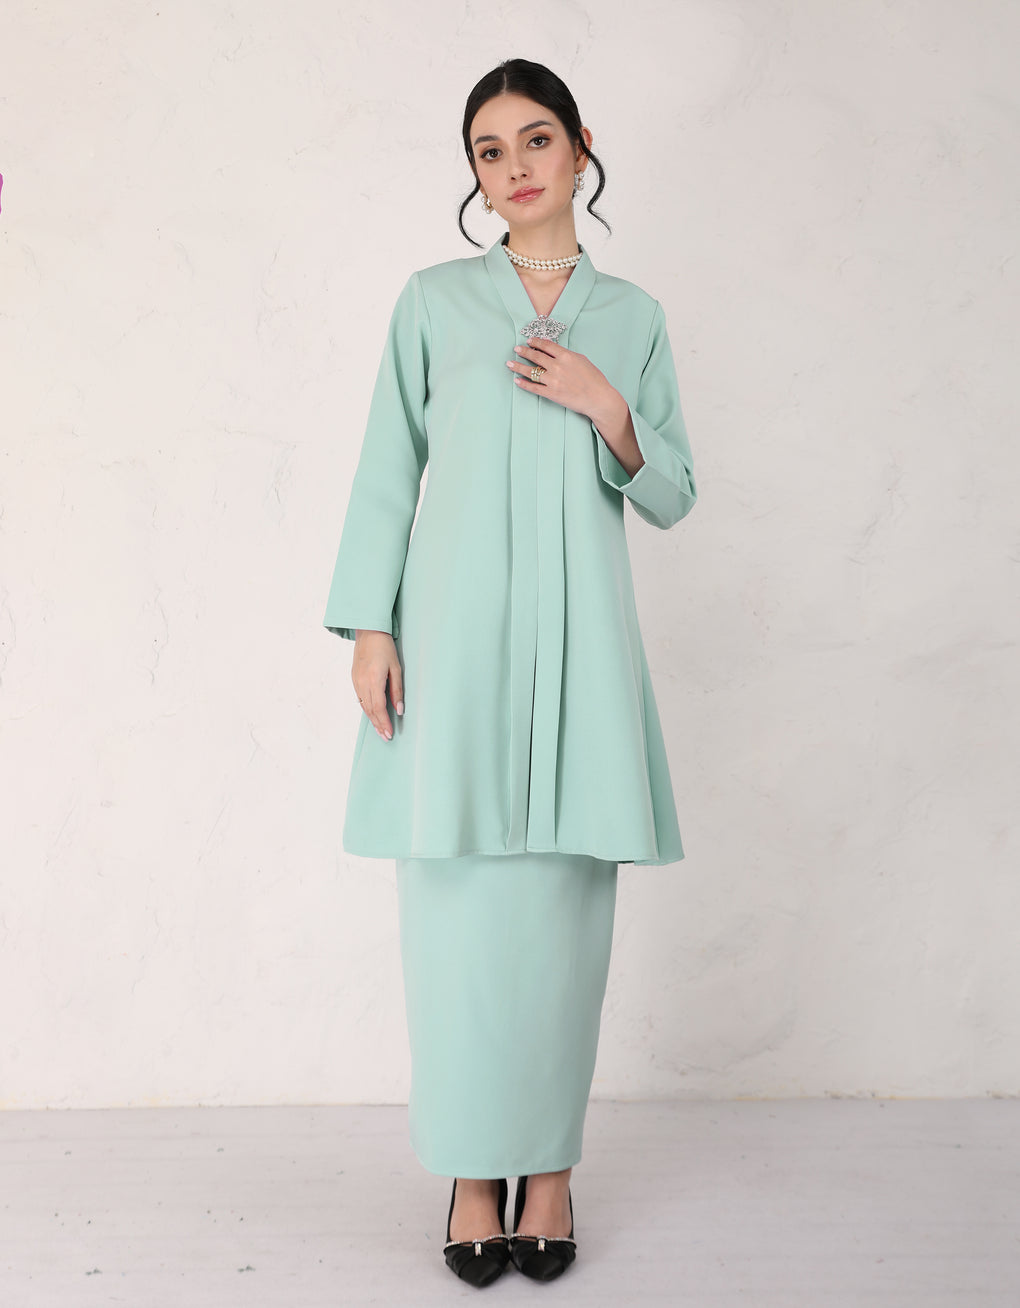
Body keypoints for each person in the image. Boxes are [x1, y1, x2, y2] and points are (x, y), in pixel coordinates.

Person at [322, 58, 697, 1286]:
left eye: (537, 139)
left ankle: (549, 1171)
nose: (515, 166)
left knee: (560, 926)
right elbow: (388, 467)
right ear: (474, 174)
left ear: (581, 146)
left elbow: (675, 493)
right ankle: (470, 1173)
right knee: (457, 920)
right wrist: (370, 627)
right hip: (457, 651)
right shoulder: (434, 303)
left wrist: (606, 408)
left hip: (583, 659)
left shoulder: (633, 317)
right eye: (489, 150)